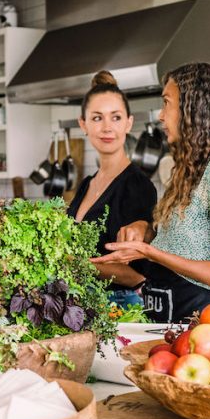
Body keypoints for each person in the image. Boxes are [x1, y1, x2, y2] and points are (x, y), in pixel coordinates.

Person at [93, 62, 210, 323]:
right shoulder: (190, 166)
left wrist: (149, 252)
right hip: (168, 317)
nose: (160, 115)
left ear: (193, 108)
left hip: (205, 323)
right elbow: (185, 241)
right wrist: (145, 229)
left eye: (166, 103)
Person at [66, 70, 157, 309]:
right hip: (84, 303)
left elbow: (137, 275)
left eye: (115, 118)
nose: (107, 128)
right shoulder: (88, 183)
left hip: (121, 307)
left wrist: (73, 263)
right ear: (83, 124)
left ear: (129, 122)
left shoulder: (137, 185)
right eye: (97, 118)